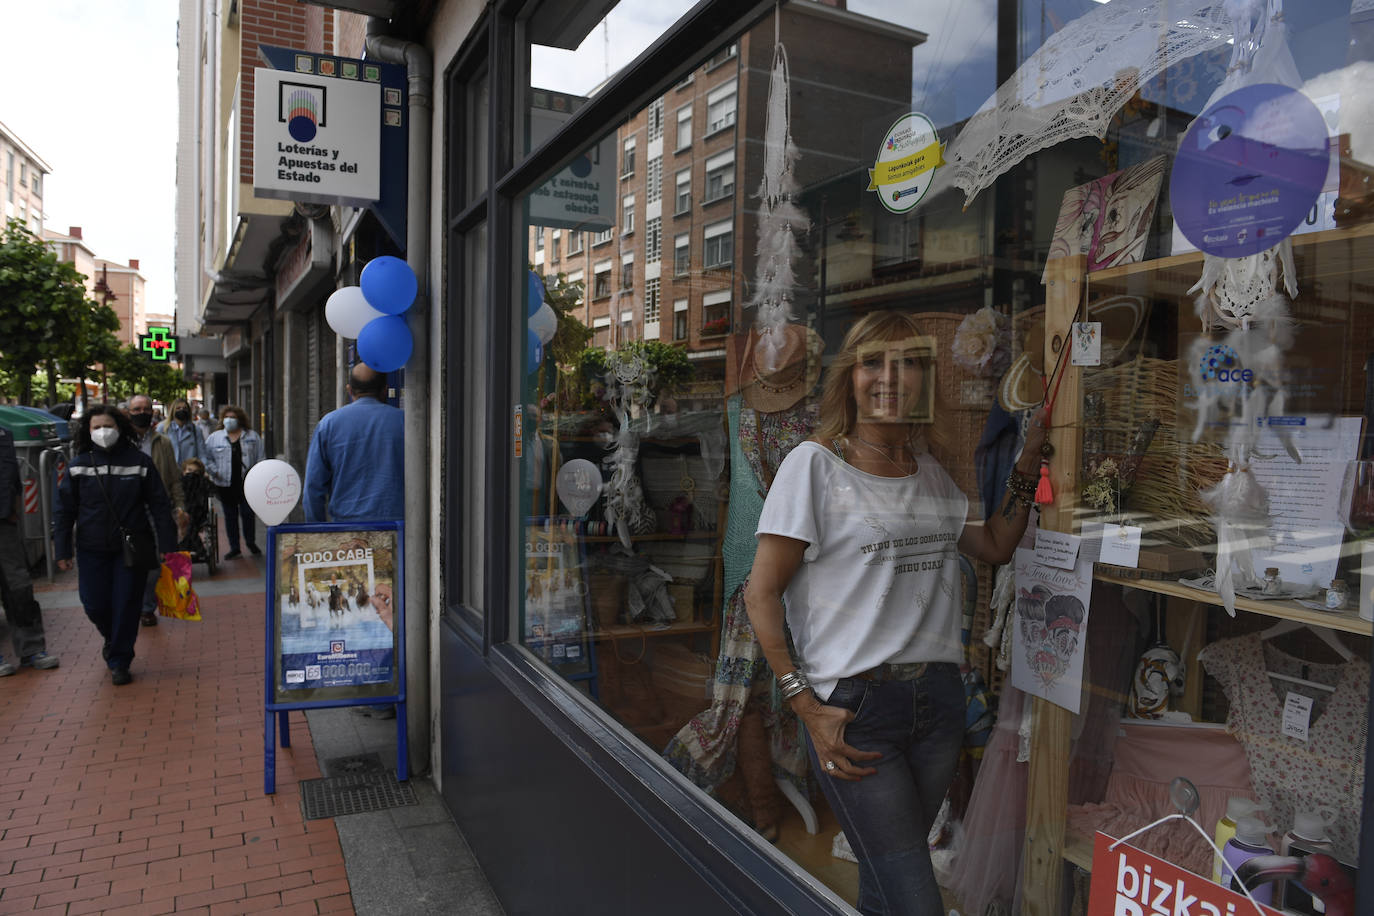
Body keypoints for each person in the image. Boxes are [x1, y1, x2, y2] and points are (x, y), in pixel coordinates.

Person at [744, 311, 1047, 916]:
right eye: (873, 362)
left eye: (907, 362)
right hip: (856, 713)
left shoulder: (928, 472)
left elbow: (993, 545)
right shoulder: (814, 466)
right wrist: (805, 705)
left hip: (937, 704)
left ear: (925, 381)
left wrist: (1028, 459)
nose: (890, 376)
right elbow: (761, 593)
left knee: (887, 889)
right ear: (849, 377)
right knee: (918, 901)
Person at [53, 406, 176, 685]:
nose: (102, 432)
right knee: (93, 604)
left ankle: (120, 659)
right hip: (91, 548)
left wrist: (167, 546)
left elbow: (159, 505)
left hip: (130, 549)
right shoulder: (78, 466)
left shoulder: (140, 462)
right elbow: (63, 511)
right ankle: (112, 638)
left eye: (107, 426)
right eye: (96, 427)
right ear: (87, 431)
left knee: (126, 605)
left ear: (120, 428)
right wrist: (62, 550)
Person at [305, 364, 404, 522]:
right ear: (385, 390)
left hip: (347, 532)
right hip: (399, 529)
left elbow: (313, 489)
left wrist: (317, 531)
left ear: (349, 390)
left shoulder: (329, 424)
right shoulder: (406, 422)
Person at [0, 426, 59, 675]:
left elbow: (11, 476)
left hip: (4, 524)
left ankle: (32, 649)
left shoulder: (3, 433)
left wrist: (12, 510)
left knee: (19, 587)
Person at [129, 394, 188, 626]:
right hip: (128, 511)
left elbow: (174, 479)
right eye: (136, 409)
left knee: (155, 561)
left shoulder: (162, 443)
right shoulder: (121, 442)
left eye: (146, 408)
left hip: (156, 508)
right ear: (128, 412)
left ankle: (146, 607)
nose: (142, 413)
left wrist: (180, 505)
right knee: (131, 560)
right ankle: (130, 602)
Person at [204, 405, 264, 559]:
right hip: (224, 484)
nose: (229, 420)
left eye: (233, 417)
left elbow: (260, 457)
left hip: (247, 483)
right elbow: (206, 458)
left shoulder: (252, 436)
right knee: (230, 516)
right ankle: (234, 547)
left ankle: (250, 542)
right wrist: (214, 471)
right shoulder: (214, 438)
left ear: (240, 419)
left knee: (248, 514)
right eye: (227, 417)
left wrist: (258, 475)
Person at [158, 397, 206, 465]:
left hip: (189, 471)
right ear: (173, 410)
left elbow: (202, 454)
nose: (182, 410)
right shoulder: (163, 428)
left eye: (185, 408)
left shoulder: (196, 430)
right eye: (178, 408)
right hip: (169, 471)